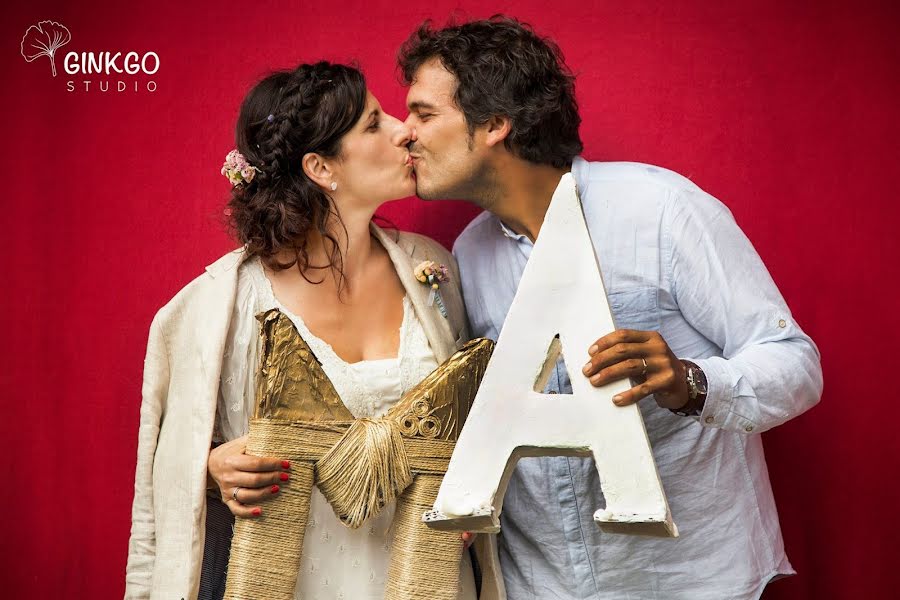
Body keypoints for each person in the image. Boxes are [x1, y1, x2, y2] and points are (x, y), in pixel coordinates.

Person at [397, 17, 824, 600]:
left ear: (495, 124)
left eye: (424, 114)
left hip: (688, 577)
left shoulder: (660, 211)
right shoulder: (467, 255)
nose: (405, 134)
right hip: (539, 584)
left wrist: (691, 384)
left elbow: (795, 364)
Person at [124, 61, 501, 600]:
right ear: (322, 168)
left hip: (429, 578)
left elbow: (472, 421)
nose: (404, 130)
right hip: (286, 579)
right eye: (374, 124)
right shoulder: (216, 307)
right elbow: (161, 479)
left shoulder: (433, 271)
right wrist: (210, 469)